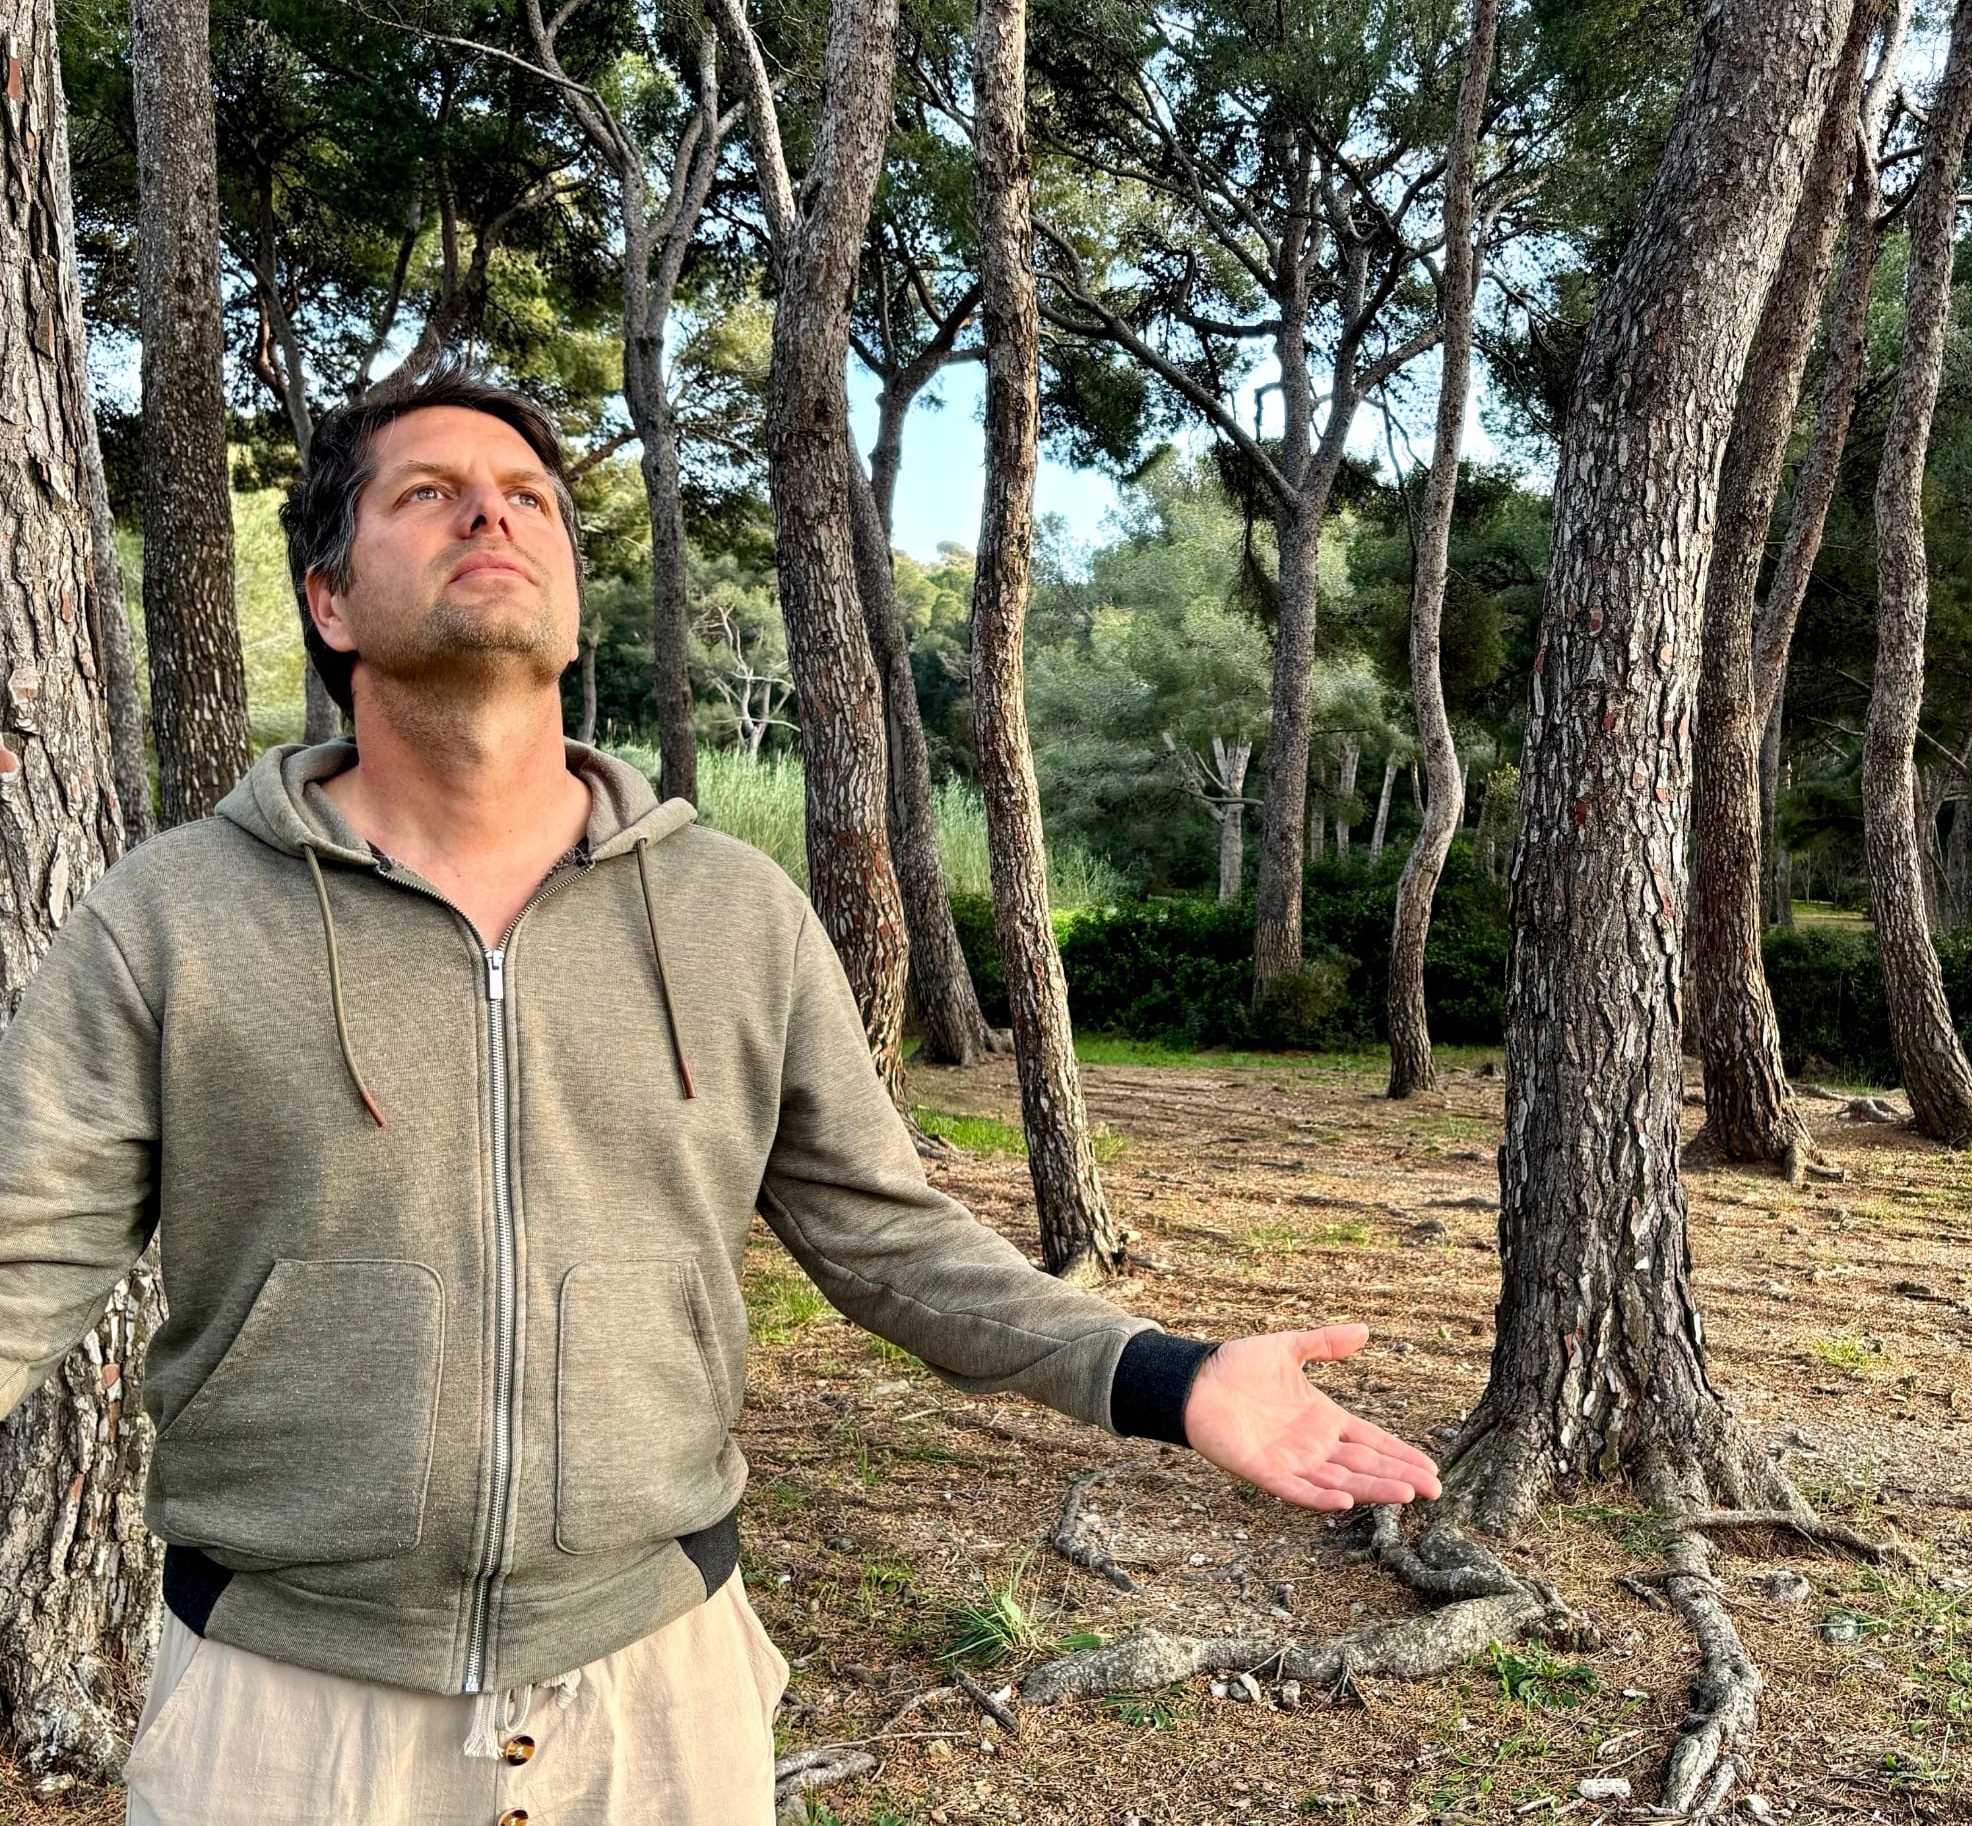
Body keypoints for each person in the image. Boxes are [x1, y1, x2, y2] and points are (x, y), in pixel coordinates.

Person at [0, 355, 1441, 1823]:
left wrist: (1167, 1374)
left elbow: (889, 1238)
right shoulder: (169, 920)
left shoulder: (732, 913)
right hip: (282, 1710)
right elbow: (23, 1244)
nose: (490, 520)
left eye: (529, 502)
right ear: (328, 598)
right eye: (428, 495)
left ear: (569, 592)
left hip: (657, 1692)